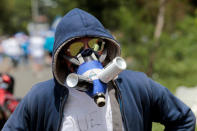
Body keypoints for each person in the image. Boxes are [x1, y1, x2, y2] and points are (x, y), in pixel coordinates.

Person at [2, 8, 196, 131]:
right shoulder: (42, 97)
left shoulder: (137, 86)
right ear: (63, 56)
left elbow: (184, 120)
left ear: (106, 47)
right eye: (76, 48)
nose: (88, 54)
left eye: (95, 45)